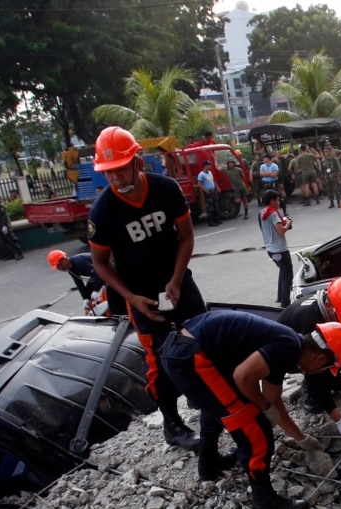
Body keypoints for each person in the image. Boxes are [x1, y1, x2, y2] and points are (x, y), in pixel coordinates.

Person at [159, 311, 341, 509]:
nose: (320, 372)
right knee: (255, 431)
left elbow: (274, 400)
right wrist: (262, 407)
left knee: (219, 403)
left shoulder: (290, 346)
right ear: (320, 358)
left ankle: (209, 464)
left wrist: (302, 439)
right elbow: (243, 378)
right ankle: (265, 500)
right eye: (325, 368)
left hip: (183, 349)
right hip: (191, 357)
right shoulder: (288, 347)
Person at [88, 126, 205, 453]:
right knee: (160, 359)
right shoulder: (103, 211)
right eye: (108, 171)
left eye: (120, 168)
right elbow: (99, 263)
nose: (115, 177)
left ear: (137, 161)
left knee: (203, 338)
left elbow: (186, 237)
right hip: (141, 295)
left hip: (178, 281)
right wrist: (131, 298)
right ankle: (172, 423)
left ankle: (207, 401)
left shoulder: (166, 190)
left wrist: (177, 280)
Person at [278, 277, 341, 436]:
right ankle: (310, 394)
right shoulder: (309, 321)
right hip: (289, 353)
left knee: (339, 350)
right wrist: (338, 417)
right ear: (329, 305)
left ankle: (336, 381)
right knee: (321, 370)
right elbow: (312, 370)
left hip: (317, 352)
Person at [258, 190, 293, 307]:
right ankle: (285, 303)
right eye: (277, 200)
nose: (279, 202)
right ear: (272, 201)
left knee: (283, 272)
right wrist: (288, 223)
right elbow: (281, 230)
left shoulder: (261, 213)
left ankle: (280, 297)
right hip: (280, 249)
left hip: (270, 249)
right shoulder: (273, 214)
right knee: (287, 275)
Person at [48, 249, 110, 314]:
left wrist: (96, 291)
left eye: (58, 266)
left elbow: (98, 273)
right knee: (88, 292)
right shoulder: (70, 269)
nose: (58, 269)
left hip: (106, 269)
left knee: (106, 289)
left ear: (63, 260)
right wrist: (85, 298)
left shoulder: (80, 263)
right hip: (96, 274)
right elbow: (79, 284)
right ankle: (95, 310)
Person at [197, 161, 222, 227]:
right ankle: (211, 222)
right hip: (208, 192)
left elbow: (213, 180)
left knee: (215, 205)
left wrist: (217, 187)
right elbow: (199, 184)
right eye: (209, 165)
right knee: (210, 207)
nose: (210, 166)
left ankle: (216, 219)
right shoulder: (201, 174)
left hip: (213, 190)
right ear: (205, 166)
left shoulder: (210, 172)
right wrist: (205, 190)